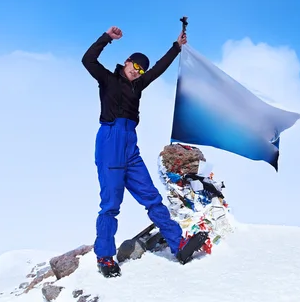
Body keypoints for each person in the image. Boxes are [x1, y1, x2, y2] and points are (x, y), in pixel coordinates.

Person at [81, 25, 208, 278]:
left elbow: (159, 68)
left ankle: (178, 244)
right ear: (126, 62)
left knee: (151, 197)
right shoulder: (107, 79)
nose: (136, 72)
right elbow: (88, 59)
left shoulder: (138, 86)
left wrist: (176, 47)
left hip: (130, 145)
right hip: (110, 141)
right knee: (111, 205)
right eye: (134, 67)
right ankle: (105, 257)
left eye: (140, 70)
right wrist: (107, 38)